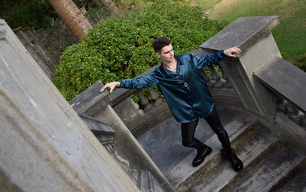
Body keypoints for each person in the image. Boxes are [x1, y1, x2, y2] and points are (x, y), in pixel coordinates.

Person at [100, 37, 243, 172]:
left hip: (203, 103)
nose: (171, 54)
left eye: (172, 50)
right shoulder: (158, 75)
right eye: (167, 52)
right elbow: (138, 82)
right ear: (158, 55)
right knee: (187, 141)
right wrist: (118, 83)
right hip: (186, 111)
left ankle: (231, 154)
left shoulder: (187, 59)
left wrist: (223, 52)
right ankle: (203, 149)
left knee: (220, 131)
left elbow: (207, 60)